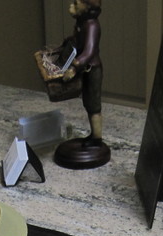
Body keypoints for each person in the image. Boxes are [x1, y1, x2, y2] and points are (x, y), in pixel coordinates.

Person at [62, 0, 104, 144]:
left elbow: (89, 51)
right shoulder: (81, 23)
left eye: (75, 3)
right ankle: (94, 135)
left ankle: (97, 138)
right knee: (88, 103)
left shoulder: (91, 25)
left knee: (93, 105)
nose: (71, 6)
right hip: (85, 69)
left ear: (87, 7)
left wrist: (74, 67)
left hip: (91, 69)